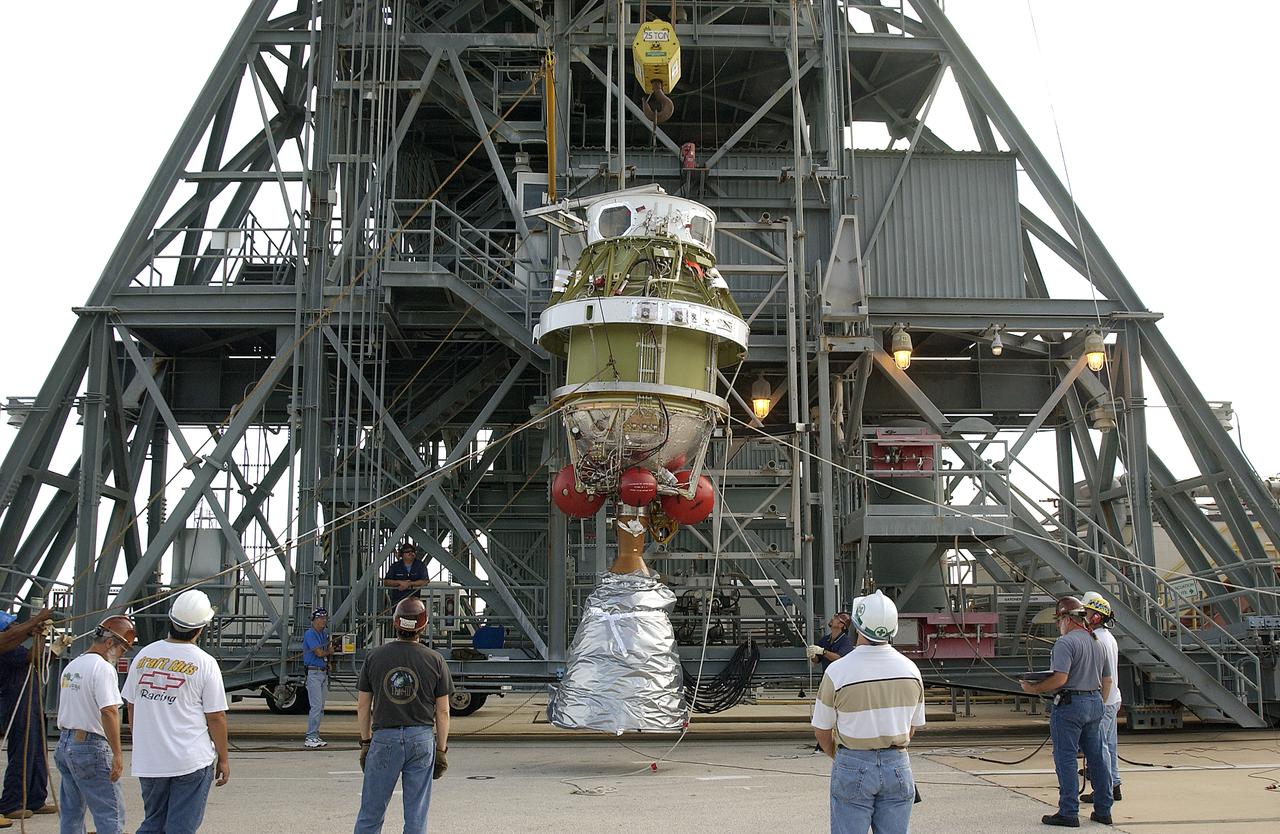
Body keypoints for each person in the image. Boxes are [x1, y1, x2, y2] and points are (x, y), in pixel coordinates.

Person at [811, 590, 925, 834]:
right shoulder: (911, 670)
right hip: (898, 765)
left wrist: (842, 757)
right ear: (893, 629)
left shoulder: (838, 671)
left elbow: (821, 731)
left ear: (857, 626)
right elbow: (911, 727)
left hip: (852, 760)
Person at [122, 589, 230, 834]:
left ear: (171, 620)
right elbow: (216, 717)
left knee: (153, 823)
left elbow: (132, 704)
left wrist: (145, 740)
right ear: (202, 628)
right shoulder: (205, 663)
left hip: (150, 761)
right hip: (189, 759)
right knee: (180, 828)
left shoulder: (144, 655)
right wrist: (223, 758)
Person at [353, 596, 453, 834]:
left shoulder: (374, 657)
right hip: (421, 739)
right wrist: (441, 749)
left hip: (384, 738)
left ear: (395, 623)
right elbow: (444, 711)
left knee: (371, 812)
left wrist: (366, 742)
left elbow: (363, 706)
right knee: (416, 815)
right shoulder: (435, 660)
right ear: (424, 625)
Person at [1020, 596, 1114, 828]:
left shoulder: (1065, 643)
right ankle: (1103, 810)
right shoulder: (1097, 642)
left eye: (1058, 620)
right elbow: (1108, 680)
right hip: (1094, 701)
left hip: (1071, 705)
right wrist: (1097, 703)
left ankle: (1069, 811)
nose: (1057, 625)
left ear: (1066, 618)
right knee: (1098, 758)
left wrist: (1033, 688)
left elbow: (1060, 678)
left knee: (1066, 759)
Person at [55, 615, 136, 834]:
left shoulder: (73, 666)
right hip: (90, 746)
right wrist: (118, 754)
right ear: (110, 643)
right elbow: (109, 711)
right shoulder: (103, 669)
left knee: (71, 812)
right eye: (122, 650)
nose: (121, 654)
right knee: (110, 812)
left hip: (65, 743)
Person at [0, 607, 56, 823]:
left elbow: (37, 659)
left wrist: (40, 634)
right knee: (22, 751)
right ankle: (11, 802)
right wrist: (36, 622)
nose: (15, 626)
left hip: (29, 701)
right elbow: (30, 656)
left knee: (37, 750)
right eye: (11, 625)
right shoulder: (6, 648)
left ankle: (35, 798)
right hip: (14, 702)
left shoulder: (13, 646)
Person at [1080, 591, 1122, 804]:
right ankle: (1114, 785)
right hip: (1113, 698)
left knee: (1100, 748)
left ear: (1096, 616)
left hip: (1104, 700)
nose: (1083, 616)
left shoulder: (1097, 640)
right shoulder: (1108, 638)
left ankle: (1103, 790)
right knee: (1109, 745)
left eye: (1086, 612)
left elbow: (1098, 675)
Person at [303, 608, 332, 749]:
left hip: (322, 672)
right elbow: (319, 652)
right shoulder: (310, 634)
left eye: (325, 618)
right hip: (313, 673)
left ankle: (315, 734)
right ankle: (310, 736)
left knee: (320, 707)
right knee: (315, 706)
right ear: (314, 620)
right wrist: (329, 652)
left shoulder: (324, 634)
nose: (323, 621)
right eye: (321, 618)